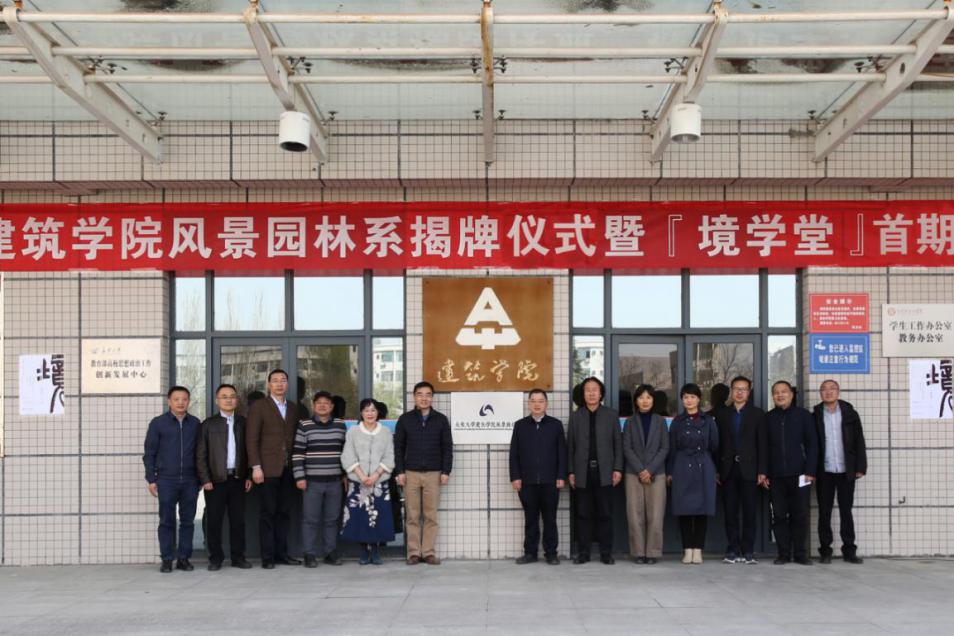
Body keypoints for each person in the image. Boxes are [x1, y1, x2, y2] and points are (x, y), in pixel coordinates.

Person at [246, 369, 302, 569]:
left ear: (287, 384)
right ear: (269, 384)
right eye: (275, 381)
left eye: (283, 380)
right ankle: (267, 557)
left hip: (288, 469)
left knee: (284, 513)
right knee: (268, 513)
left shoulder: (293, 408)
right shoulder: (259, 406)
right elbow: (251, 439)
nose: (279, 384)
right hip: (266, 469)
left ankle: (282, 554)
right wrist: (256, 467)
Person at [143, 386, 201, 573]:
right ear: (169, 402)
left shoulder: (195, 423)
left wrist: (200, 479)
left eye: (184, 399)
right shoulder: (158, 423)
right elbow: (149, 454)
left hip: (190, 480)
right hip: (166, 480)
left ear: (188, 401)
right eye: (176, 399)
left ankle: (183, 558)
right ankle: (167, 559)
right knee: (166, 521)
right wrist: (152, 479)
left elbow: (201, 453)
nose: (180, 402)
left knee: (188, 522)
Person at [394, 381, 454, 565]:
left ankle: (428, 552)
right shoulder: (405, 419)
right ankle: (413, 553)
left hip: (433, 473)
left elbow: (447, 447)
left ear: (432, 397)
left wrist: (446, 471)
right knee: (412, 515)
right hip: (410, 473)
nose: (424, 398)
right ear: (414, 397)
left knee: (430, 515)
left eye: (428, 394)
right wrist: (400, 471)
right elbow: (398, 447)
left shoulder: (441, 420)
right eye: (420, 394)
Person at [758, 380, 817, 566]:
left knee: (800, 514)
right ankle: (783, 553)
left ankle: (800, 553)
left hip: (801, 475)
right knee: (779, 515)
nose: (780, 395)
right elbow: (763, 448)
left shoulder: (804, 416)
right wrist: (763, 472)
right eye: (776, 392)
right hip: (776, 476)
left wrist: (810, 470)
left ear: (791, 395)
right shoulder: (768, 418)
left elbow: (813, 445)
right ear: (773, 396)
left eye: (784, 391)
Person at [195, 384, 252, 571]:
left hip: (238, 479)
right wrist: (205, 479)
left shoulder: (243, 423)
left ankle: (238, 557)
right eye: (224, 396)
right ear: (217, 400)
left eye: (232, 396)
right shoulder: (208, 424)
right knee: (214, 521)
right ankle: (215, 558)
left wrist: (248, 475)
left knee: (238, 521)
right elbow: (201, 455)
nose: (229, 400)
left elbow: (250, 451)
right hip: (215, 481)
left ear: (237, 400)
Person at [567, 376, 622, 565]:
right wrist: (571, 471)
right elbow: (570, 446)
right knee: (583, 515)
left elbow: (618, 444)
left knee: (605, 514)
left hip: (605, 472)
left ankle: (606, 553)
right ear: (583, 394)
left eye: (595, 390)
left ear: (601, 394)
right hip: (582, 472)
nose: (591, 393)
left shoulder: (611, 415)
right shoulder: (576, 417)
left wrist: (617, 468)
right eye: (587, 390)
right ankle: (584, 553)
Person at [509, 389, 567, 565]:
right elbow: (514, 454)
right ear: (528, 404)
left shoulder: (555, 425)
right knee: (530, 519)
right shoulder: (520, 426)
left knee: (550, 519)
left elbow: (562, 453)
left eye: (540, 401)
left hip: (551, 481)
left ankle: (551, 553)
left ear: (546, 404)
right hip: (527, 481)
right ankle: (530, 553)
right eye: (533, 401)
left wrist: (561, 475)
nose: (537, 404)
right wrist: (515, 477)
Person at [813, 379, 867, 565]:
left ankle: (849, 550)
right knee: (824, 512)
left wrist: (860, 467)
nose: (828, 392)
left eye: (832, 389)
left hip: (846, 470)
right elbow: (812, 445)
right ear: (820, 393)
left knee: (846, 511)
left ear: (838, 392)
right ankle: (825, 551)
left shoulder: (850, 414)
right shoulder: (816, 415)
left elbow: (859, 440)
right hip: (824, 471)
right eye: (824, 389)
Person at [293, 391, 348, 568]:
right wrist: (299, 477)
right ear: (314, 406)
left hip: (335, 481)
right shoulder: (305, 425)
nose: (322, 406)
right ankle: (309, 554)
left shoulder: (340, 425)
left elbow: (346, 454)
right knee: (310, 519)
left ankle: (330, 553)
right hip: (312, 482)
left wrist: (345, 475)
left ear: (332, 406)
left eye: (326, 403)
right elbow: (298, 454)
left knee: (332, 519)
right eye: (319, 403)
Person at [714, 376, 765, 565]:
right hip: (728, 469)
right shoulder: (722, 414)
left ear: (749, 392)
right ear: (731, 391)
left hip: (750, 469)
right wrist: (717, 469)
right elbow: (717, 444)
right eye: (736, 388)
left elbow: (763, 445)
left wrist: (762, 470)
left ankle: (748, 550)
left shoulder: (758, 414)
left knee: (750, 512)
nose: (740, 392)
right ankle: (733, 549)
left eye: (743, 389)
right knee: (730, 512)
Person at [667, 383, 719, 565]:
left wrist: (715, 470)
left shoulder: (709, 421)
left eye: (692, 397)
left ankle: (698, 550)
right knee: (684, 509)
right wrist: (670, 471)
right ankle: (687, 549)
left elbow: (714, 445)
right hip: (682, 465)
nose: (689, 400)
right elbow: (672, 447)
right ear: (682, 400)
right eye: (685, 397)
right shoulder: (677, 421)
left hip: (704, 465)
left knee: (702, 510)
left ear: (699, 399)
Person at [341, 399, 396, 565]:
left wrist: (375, 475)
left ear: (378, 412)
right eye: (366, 410)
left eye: (373, 410)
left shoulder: (385, 432)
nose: (370, 413)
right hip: (358, 481)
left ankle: (376, 550)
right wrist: (362, 476)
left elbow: (389, 455)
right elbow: (347, 455)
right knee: (360, 517)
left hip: (379, 482)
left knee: (379, 517)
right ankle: (363, 550)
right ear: (361, 413)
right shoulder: (353, 431)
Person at [622, 384, 669, 565]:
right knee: (635, 515)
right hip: (633, 474)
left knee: (656, 515)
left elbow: (664, 447)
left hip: (657, 473)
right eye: (641, 397)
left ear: (653, 400)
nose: (645, 401)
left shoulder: (660, 421)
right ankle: (639, 552)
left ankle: (652, 552)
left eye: (648, 397)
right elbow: (627, 448)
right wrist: (641, 470)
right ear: (636, 401)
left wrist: (650, 470)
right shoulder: (629, 422)